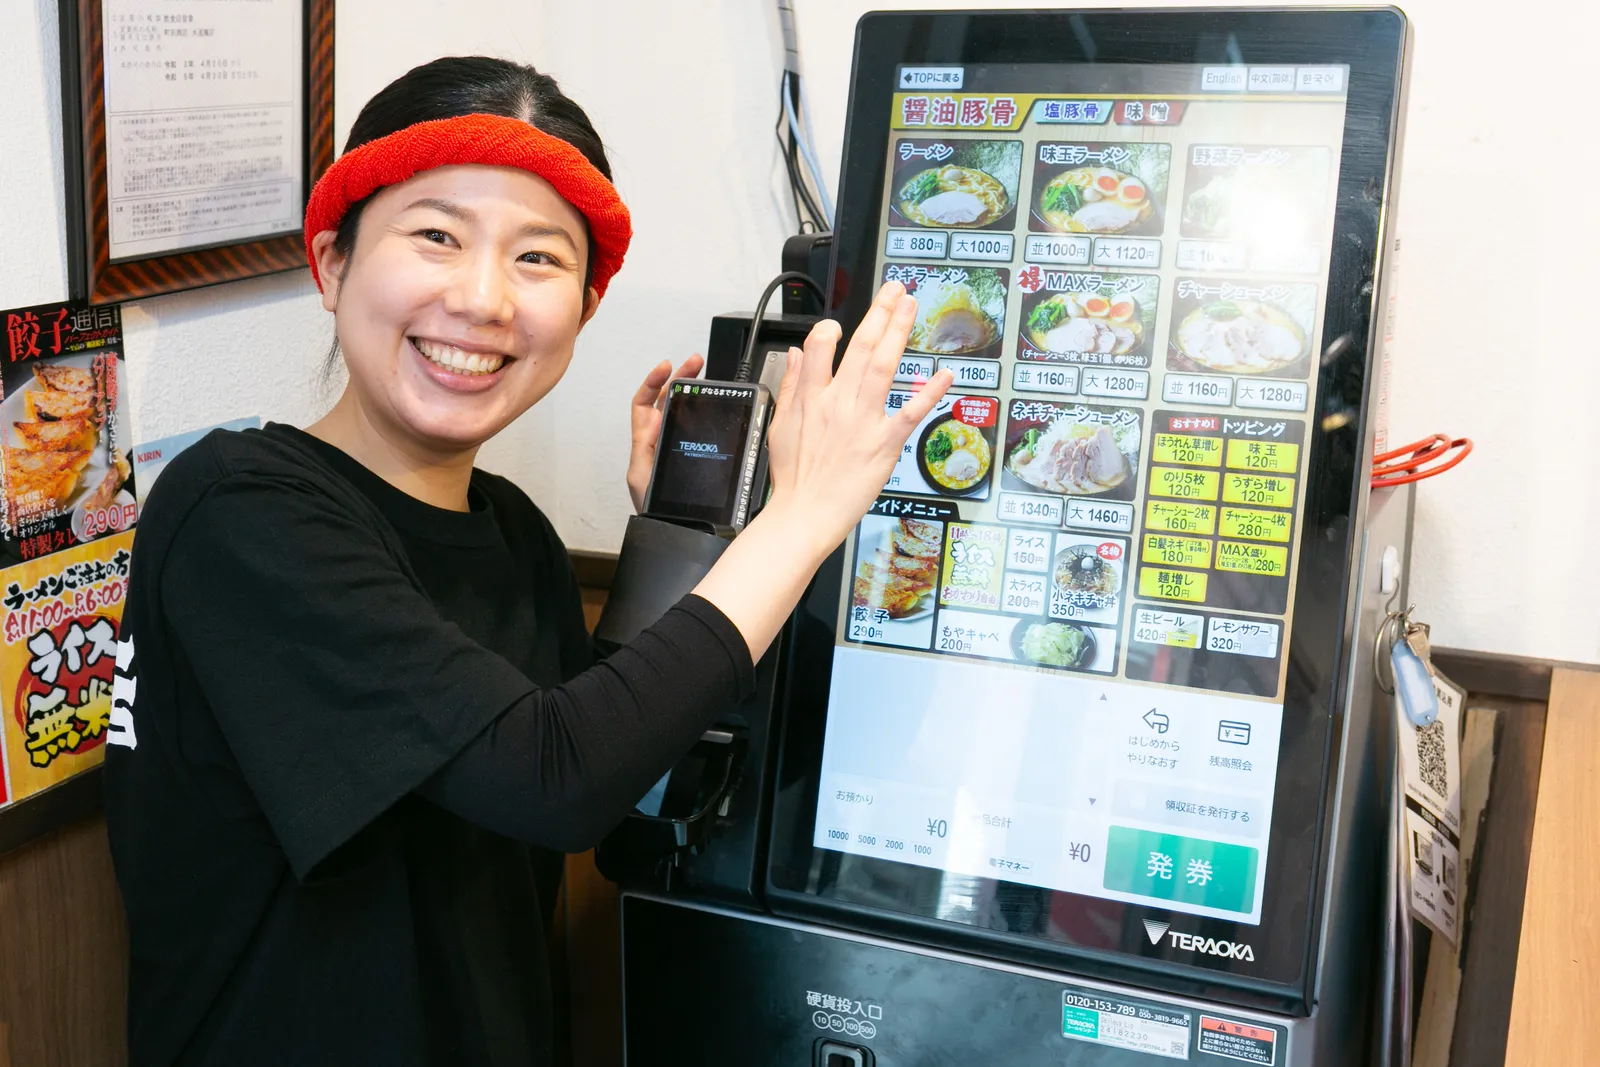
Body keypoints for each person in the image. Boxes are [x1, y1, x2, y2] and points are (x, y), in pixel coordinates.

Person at [102, 55, 950, 1067]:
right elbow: (556, 779)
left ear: (584, 309)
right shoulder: (237, 507)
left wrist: (671, 544)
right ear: (331, 263)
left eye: (539, 259)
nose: (483, 298)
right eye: (435, 235)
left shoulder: (513, 530)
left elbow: (622, 803)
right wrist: (802, 515)